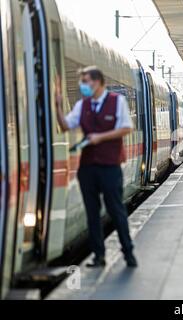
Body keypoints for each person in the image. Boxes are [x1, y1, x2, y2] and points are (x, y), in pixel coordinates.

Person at [55, 66, 138, 268]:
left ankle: (128, 252)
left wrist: (100, 137)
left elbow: (127, 128)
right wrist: (57, 107)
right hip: (88, 168)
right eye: (82, 82)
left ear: (99, 82)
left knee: (116, 209)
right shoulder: (82, 105)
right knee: (92, 213)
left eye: (86, 82)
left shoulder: (117, 102)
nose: (83, 86)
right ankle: (98, 256)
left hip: (110, 166)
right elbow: (66, 125)